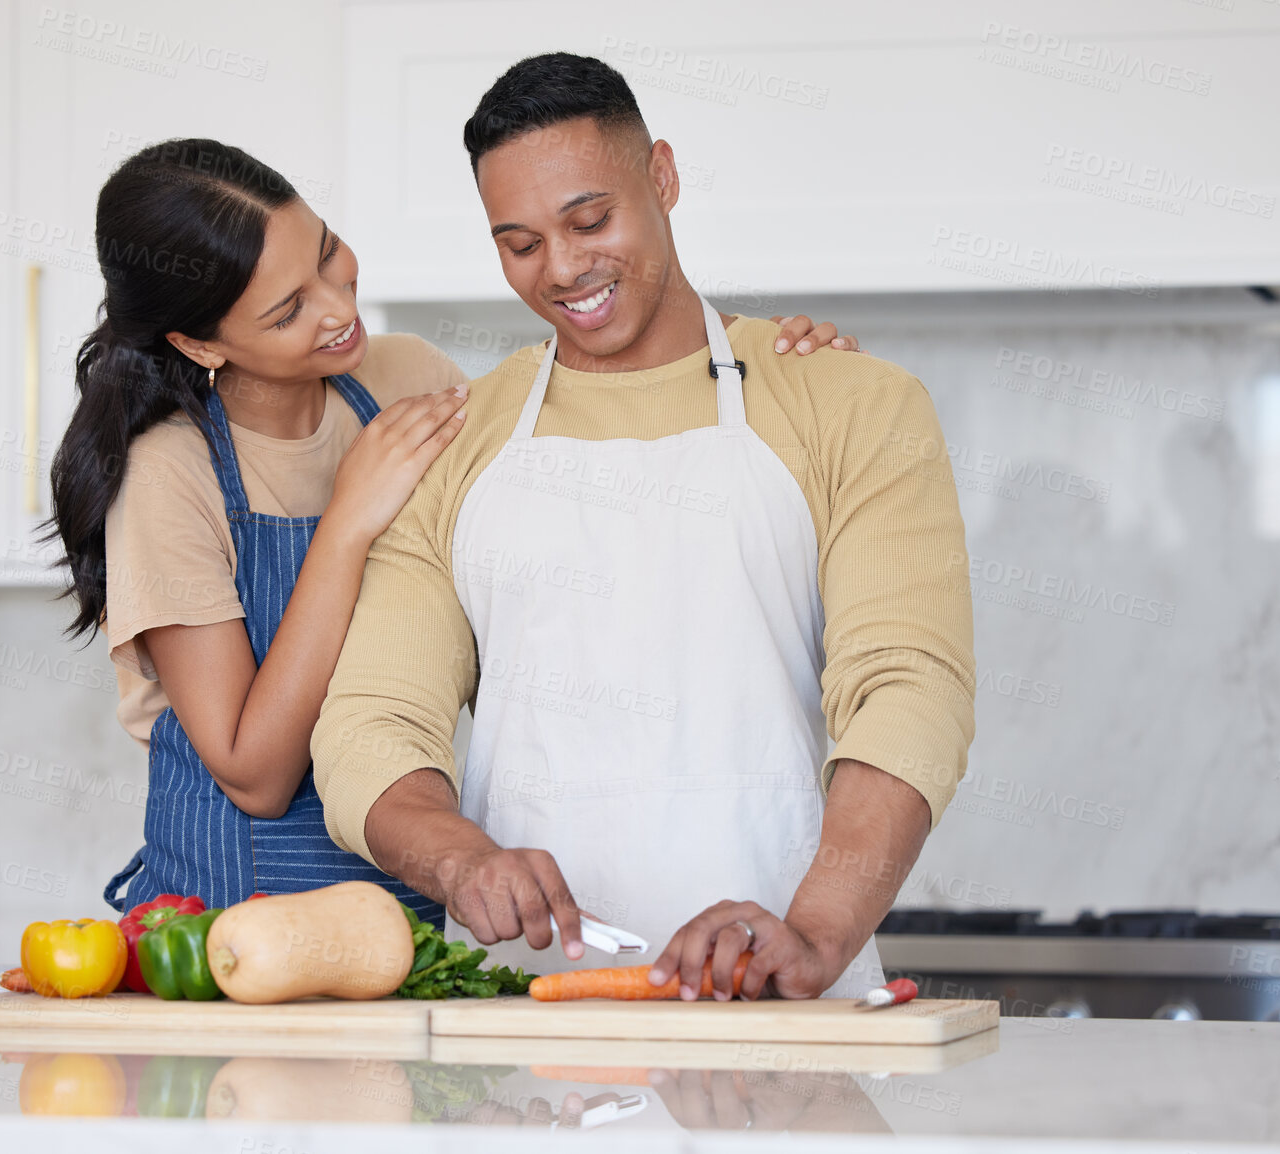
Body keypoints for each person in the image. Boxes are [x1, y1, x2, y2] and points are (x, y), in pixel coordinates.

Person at [46, 138, 865, 920]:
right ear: (199, 341)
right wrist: (347, 525)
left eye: (327, 255)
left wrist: (773, 373)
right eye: (290, 308)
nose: (337, 310)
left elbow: (555, 512)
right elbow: (253, 772)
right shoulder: (166, 475)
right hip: (237, 927)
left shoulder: (407, 379)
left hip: (411, 904)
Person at [310, 55, 976, 1001]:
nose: (565, 269)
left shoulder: (851, 403)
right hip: (526, 1028)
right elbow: (374, 723)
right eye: (519, 243)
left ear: (661, 177)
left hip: (780, 990)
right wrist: (460, 862)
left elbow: (908, 692)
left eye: (590, 221)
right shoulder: (456, 440)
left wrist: (815, 934)